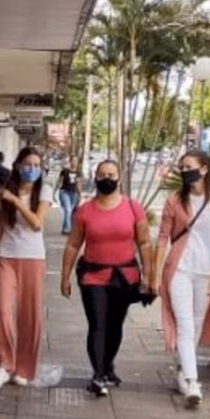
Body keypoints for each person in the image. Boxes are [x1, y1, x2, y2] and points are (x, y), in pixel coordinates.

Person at [151, 150, 210, 407]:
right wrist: (156, 275)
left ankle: (183, 368)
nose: (184, 171)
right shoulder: (174, 200)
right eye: (181, 167)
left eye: (189, 166)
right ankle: (193, 382)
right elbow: (162, 239)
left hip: (206, 271)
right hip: (179, 269)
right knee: (184, 324)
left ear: (204, 169)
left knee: (194, 323)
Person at [60, 160, 153, 397]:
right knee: (98, 324)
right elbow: (73, 244)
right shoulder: (85, 211)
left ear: (119, 177)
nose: (106, 178)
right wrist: (65, 276)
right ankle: (98, 373)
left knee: (115, 326)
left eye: (111, 174)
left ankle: (108, 365)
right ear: (95, 177)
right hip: (93, 276)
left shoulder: (133, 208)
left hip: (124, 276)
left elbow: (143, 242)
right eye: (101, 175)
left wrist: (149, 275)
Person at [0, 147, 53, 389]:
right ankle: (4, 364)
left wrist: (17, 202)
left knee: (29, 315)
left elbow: (37, 224)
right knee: (3, 310)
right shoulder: (5, 193)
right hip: (6, 258)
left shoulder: (44, 190)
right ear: (18, 164)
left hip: (33, 258)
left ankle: (25, 368)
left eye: (37, 165)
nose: (32, 169)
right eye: (28, 164)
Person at [55, 158, 81, 234]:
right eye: (73, 161)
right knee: (68, 210)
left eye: (76, 161)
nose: (74, 162)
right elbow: (60, 181)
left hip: (74, 193)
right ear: (70, 162)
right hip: (64, 192)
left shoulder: (78, 172)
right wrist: (55, 191)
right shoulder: (65, 171)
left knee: (70, 212)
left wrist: (80, 194)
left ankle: (64, 228)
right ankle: (68, 229)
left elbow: (78, 184)